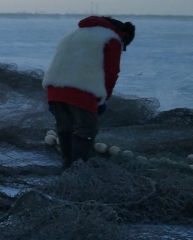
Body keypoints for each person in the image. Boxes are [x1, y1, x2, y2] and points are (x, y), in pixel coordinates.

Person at [43, 16, 135, 168]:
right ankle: (79, 171)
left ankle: (67, 168)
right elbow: (111, 72)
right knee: (87, 129)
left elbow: (58, 61)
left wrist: (55, 96)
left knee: (65, 127)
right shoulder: (111, 39)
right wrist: (103, 98)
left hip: (55, 88)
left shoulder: (73, 34)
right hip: (81, 90)